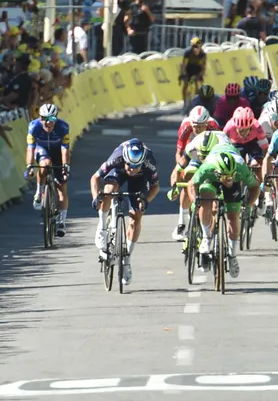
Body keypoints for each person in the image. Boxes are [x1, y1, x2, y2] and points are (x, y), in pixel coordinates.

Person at [90, 139, 160, 286]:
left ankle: (126, 259)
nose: (132, 169)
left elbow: (155, 187)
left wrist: (146, 200)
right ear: (125, 159)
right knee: (108, 191)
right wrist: (96, 197)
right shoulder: (117, 157)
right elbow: (95, 178)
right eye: (130, 165)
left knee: (136, 216)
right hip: (117, 171)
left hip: (139, 180)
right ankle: (103, 227)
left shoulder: (149, 162)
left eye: (136, 166)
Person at [189, 146, 258, 279]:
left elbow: (255, 187)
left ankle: (232, 255)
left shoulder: (240, 168)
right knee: (206, 199)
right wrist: (194, 202)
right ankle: (206, 237)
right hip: (211, 180)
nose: (228, 180)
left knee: (233, 217)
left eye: (230, 177)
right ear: (217, 172)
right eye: (225, 177)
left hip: (234, 179)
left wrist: (248, 205)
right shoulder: (207, 168)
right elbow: (191, 184)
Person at [172, 105, 221, 241]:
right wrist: (180, 171)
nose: (198, 129)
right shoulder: (186, 126)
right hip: (192, 152)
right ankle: (181, 223)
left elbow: (220, 149)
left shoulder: (214, 126)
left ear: (207, 123)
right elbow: (179, 153)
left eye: (201, 126)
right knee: (188, 178)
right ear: (191, 123)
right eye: (196, 126)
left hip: (209, 153)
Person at [26, 102, 71, 236]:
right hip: (42, 150)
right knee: (44, 165)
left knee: (62, 187)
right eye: (44, 118)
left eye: (51, 119)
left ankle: (62, 223)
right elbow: (30, 148)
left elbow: (65, 150)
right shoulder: (33, 127)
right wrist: (29, 165)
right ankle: (39, 192)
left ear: (56, 118)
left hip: (58, 152)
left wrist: (65, 166)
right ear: (40, 118)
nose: (47, 122)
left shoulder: (63, 127)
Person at [179, 37, 207, 108]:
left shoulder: (202, 54)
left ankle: (197, 101)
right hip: (189, 68)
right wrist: (183, 74)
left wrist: (200, 75)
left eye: (196, 47)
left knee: (197, 84)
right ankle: (185, 102)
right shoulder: (188, 52)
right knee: (185, 84)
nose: (195, 49)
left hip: (197, 68)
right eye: (193, 46)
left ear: (200, 47)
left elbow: (203, 67)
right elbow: (184, 65)